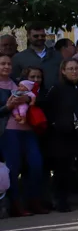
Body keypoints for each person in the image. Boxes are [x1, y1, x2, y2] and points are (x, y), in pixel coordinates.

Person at [38, 57, 78, 212]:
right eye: (70, 69)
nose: (74, 71)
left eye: (76, 68)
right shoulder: (56, 89)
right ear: (63, 71)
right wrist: (58, 125)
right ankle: (62, 201)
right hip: (63, 135)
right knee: (62, 170)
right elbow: (49, 111)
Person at [0, 53, 44, 216]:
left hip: (28, 130)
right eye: (2, 64)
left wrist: (28, 98)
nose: (6, 67)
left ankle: (34, 201)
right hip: (8, 132)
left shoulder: (17, 83)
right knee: (13, 168)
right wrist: (8, 107)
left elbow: (36, 98)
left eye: (8, 64)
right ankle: (15, 205)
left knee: (36, 165)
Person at [14, 25, 60, 89]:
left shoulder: (57, 56)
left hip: (54, 96)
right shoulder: (19, 58)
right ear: (28, 36)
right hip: (29, 97)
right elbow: (15, 80)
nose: (40, 38)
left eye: (43, 36)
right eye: (36, 36)